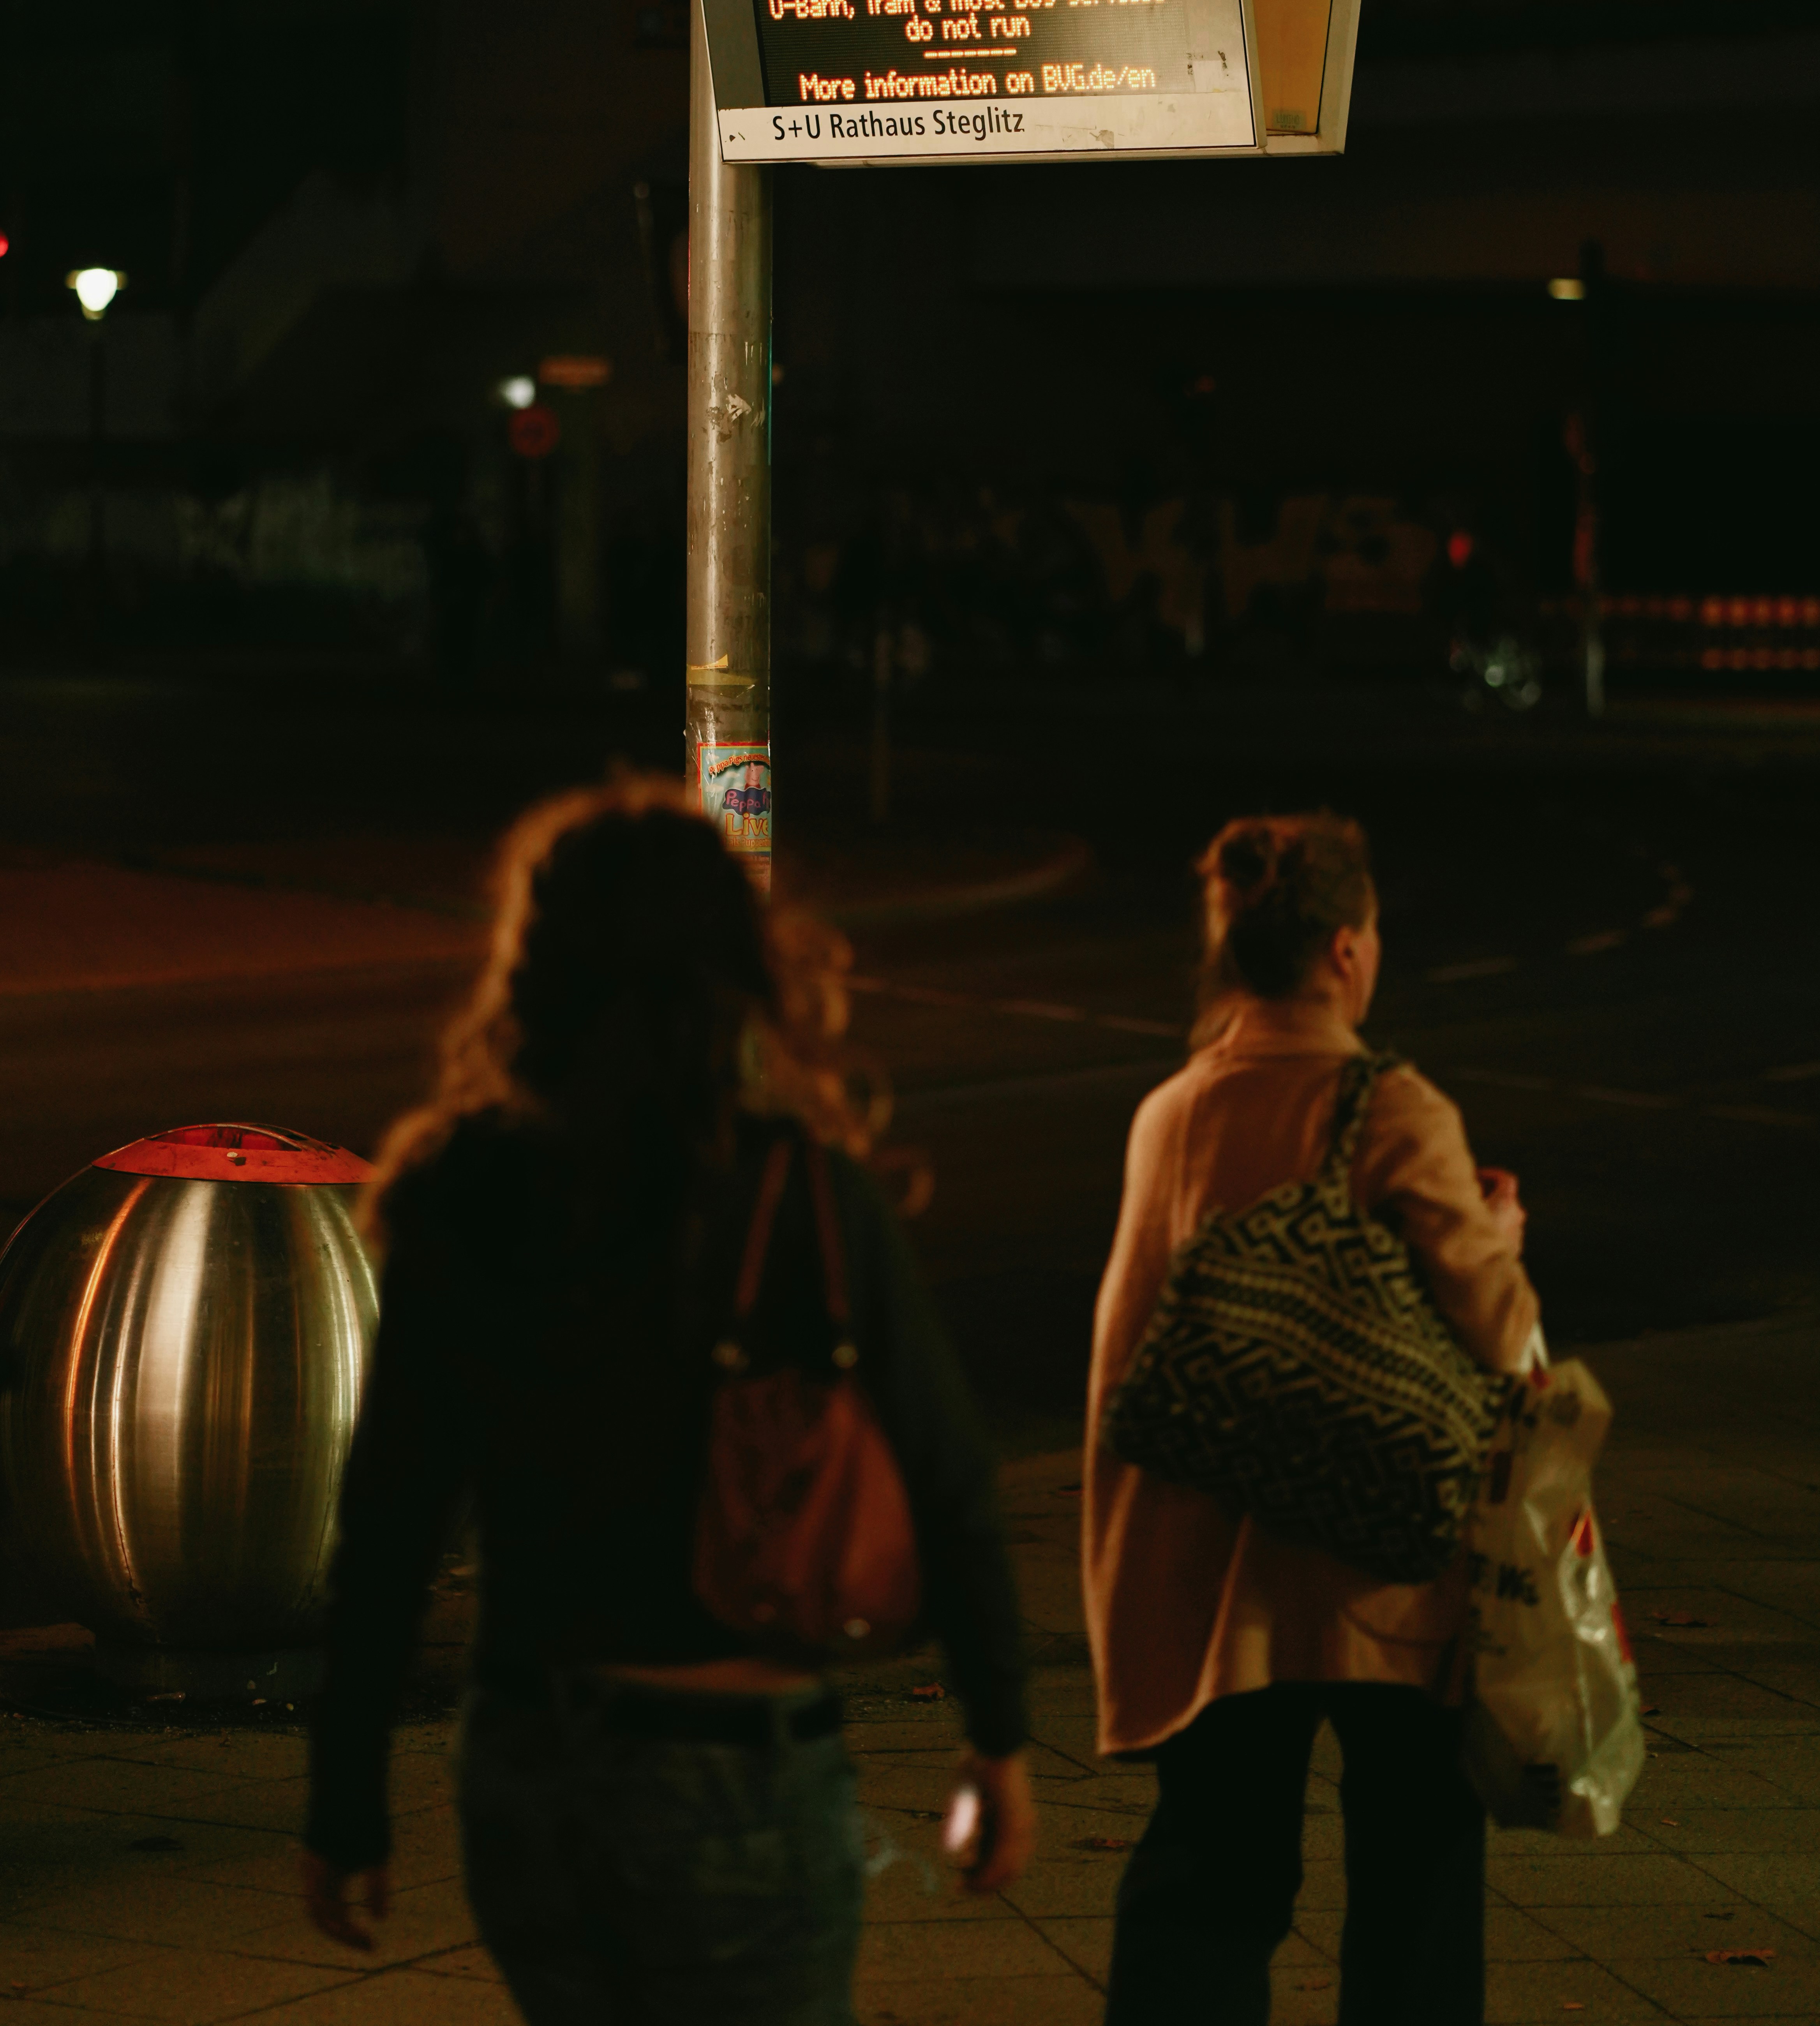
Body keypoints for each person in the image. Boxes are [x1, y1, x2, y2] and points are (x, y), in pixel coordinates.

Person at [302, 774, 1035, 2024]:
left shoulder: (466, 1190)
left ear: (534, 973)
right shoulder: (799, 1195)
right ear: (738, 969)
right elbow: (951, 1480)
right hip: (734, 1771)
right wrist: (999, 1738)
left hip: (534, 1760)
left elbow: (389, 1525)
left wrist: (345, 1805)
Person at [1084, 810, 1539, 2026]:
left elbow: (1125, 1365)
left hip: (1225, 1586)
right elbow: (1500, 1339)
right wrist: (1498, 1244)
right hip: (1390, 1576)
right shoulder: (1396, 1111)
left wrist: (1123, 1590)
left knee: (1212, 1876)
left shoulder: (1175, 1114)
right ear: (1345, 951)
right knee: (1417, 1873)